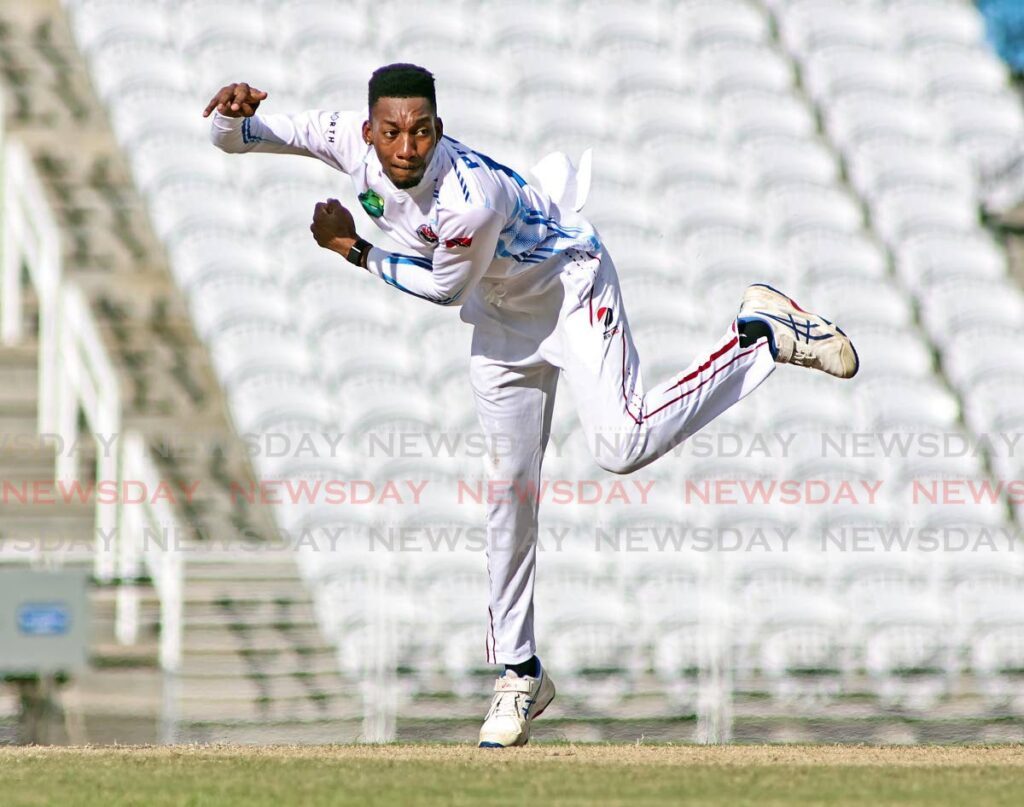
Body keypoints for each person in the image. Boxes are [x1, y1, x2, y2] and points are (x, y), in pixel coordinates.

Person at [204, 63, 858, 748]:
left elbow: (441, 290)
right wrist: (228, 113)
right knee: (506, 492)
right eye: (392, 132)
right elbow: (237, 137)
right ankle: (519, 672)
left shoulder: (469, 199)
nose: (406, 148)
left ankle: (760, 337)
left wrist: (354, 249)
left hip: (568, 286)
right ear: (367, 130)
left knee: (622, 443)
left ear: (439, 131)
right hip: (503, 314)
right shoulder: (344, 137)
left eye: (422, 132)